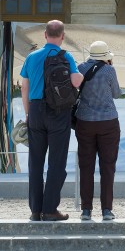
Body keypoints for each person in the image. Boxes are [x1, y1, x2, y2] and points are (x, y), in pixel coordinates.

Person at [20, 20, 84, 221]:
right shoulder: (66, 56)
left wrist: (29, 113)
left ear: (45, 35)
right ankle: (49, 210)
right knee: (56, 163)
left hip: (36, 110)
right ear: (62, 36)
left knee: (35, 163)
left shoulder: (31, 56)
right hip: (58, 113)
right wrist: (80, 77)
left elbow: (24, 87)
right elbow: (75, 81)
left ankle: (35, 210)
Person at [75, 40, 121, 221]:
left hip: (84, 121)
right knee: (107, 167)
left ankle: (86, 210)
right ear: (106, 57)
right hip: (108, 122)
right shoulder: (109, 70)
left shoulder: (81, 67)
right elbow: (116, 93)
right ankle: (106, 210)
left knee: (86, 166)